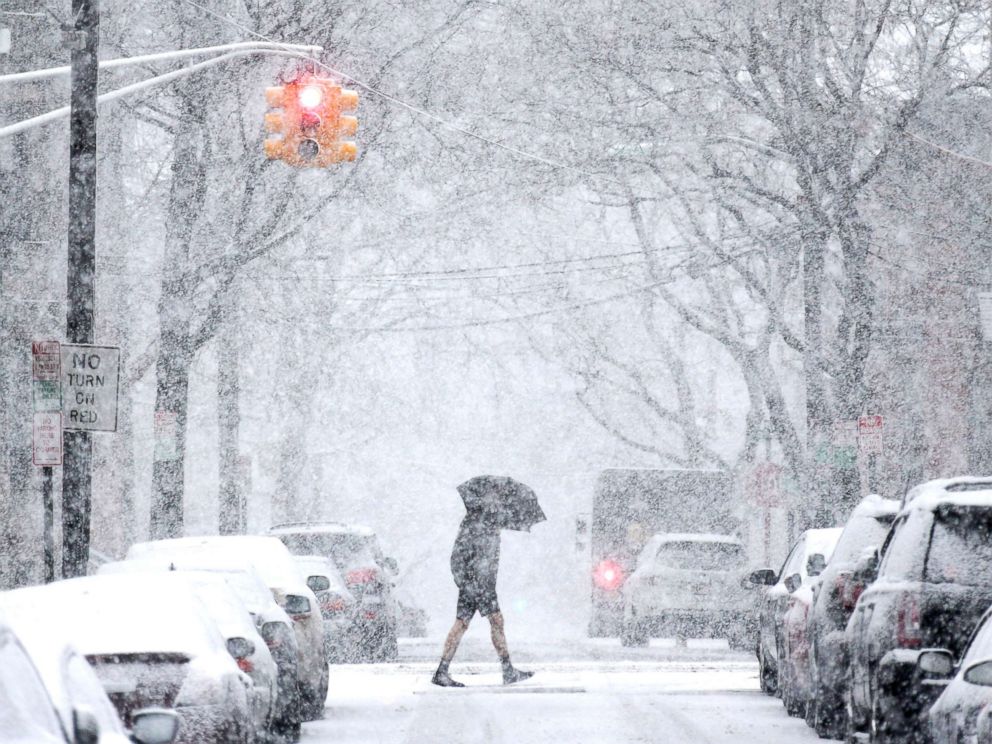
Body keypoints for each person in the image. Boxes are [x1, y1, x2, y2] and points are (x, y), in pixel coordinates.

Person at [432, 501, 534, 687]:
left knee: (463, 623)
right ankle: (507, 670)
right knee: (495, 621)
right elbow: (459, 556)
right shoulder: (476, 523)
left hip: (477, 583)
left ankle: (442, 670)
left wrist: (466, 582)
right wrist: (466, 581)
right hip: (479, 584)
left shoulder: (485, 522)